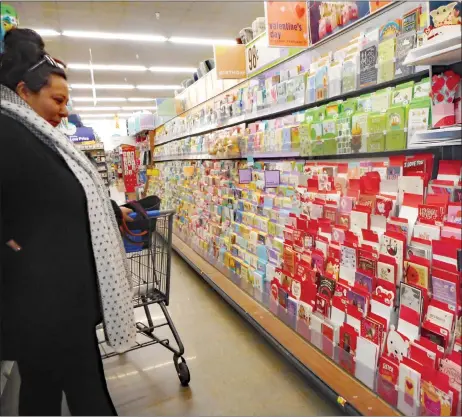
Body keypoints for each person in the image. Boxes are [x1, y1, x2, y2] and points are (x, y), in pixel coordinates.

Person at [0, 28, 136, 416]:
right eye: (57, 100)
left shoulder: (36, 133)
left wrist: (111, 211)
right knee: (78, 389)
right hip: (44, 300)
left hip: (58, 300)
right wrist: (12, 250)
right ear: (24, 91)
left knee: (45, 390)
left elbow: (61, 198)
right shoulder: (9, 132)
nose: (64, 110)